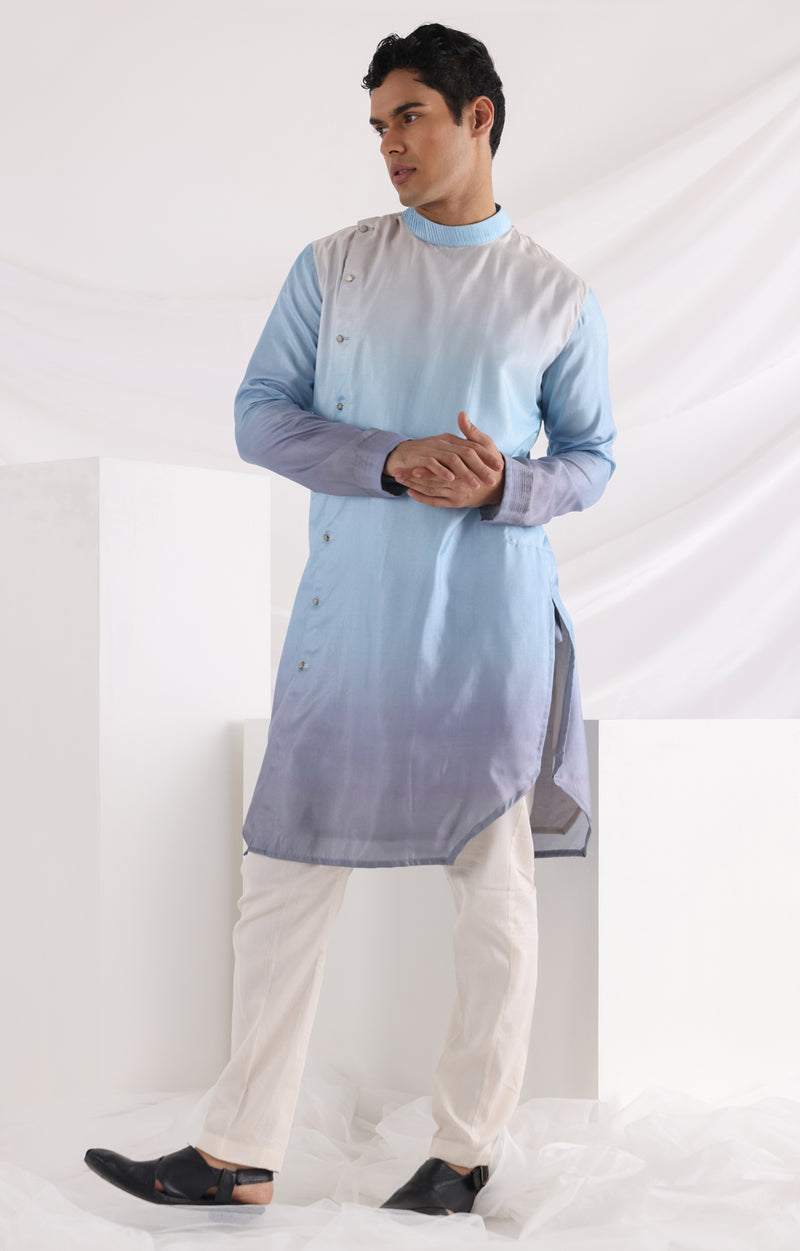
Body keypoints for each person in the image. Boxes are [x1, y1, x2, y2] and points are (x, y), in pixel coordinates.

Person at [85, 22, 615, 1217]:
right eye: (376, 126)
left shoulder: (553, 295)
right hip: (349, 623)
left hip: (485, 631)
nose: (388, 145)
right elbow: (259, 416)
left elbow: (591, 458)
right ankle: (235, 1152)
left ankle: (464, 1154)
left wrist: (506, 484)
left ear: (478, 117)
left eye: (408, 116)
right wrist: (389, 457)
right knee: (282, 876)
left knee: (491, 894)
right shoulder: (332, 269)